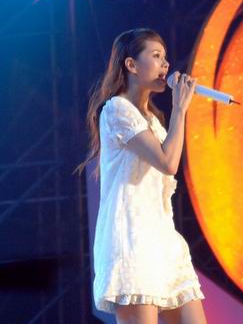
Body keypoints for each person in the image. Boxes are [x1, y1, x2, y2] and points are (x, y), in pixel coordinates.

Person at [74, 28, 207, 324]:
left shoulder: (154, 123)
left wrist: (177, 113)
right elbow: (168, 163)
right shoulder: (116, 109)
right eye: (156, 56)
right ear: (131, 65)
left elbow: (169, 163)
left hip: (163, 238)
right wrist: (180, 109)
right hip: (131, 238)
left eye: (165, 58)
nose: (166, 64)